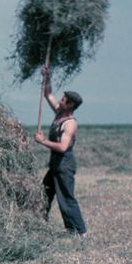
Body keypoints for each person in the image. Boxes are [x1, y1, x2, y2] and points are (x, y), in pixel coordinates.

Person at [33, 66, 86, 237]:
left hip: (65, 165)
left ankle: (80, 232)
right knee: (45, 193)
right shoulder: (59, 113)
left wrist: (43, 142)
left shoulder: (70, 123)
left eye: (63, 99)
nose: (60, 100)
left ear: (70, 105)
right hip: (55, 164)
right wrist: (47, 77)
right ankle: (38, 224)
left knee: (66, 199)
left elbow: (63, 147)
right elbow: (47, 94)